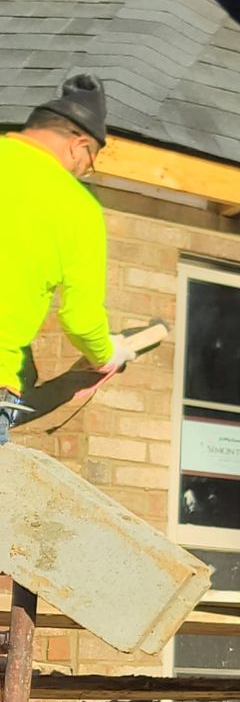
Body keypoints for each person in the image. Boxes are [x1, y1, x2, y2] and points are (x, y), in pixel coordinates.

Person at [0, 73, 130, 444]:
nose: (85, 170)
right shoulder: (79, 208)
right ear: (78, 145)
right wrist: (107, 354)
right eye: (91, 161)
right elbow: (81, 319)